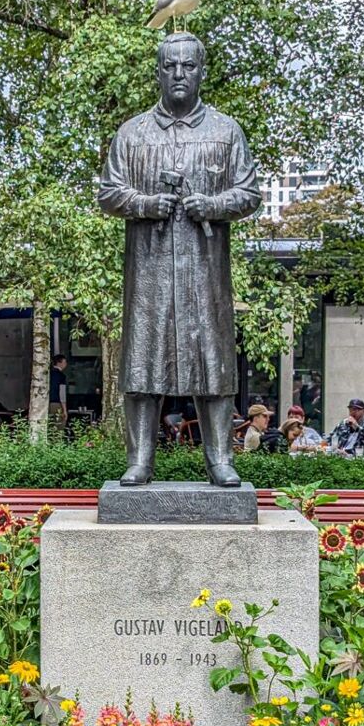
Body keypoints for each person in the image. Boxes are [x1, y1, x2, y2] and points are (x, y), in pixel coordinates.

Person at [97, 31, 261, 486]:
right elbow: (109, 192)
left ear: (201, 71)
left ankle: (220, 460)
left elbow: (248, 193)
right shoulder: (132, 133)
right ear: (158, 73)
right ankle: (140, 460)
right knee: (143, 361)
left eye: (187, 66)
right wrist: (145, 204)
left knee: (213, 359)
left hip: (204, 271)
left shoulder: (226, 132)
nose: (179, 74)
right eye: (170, 66)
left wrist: (213, 205)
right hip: (148, 273)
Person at [49, 355, 68, 429]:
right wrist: (64, 409)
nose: (66, 364)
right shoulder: (61, 376)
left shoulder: (48, 374)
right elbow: (62, 394)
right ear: (59, 363)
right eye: (64, 362)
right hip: (57, 403)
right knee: (59, 426)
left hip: (46, 403)